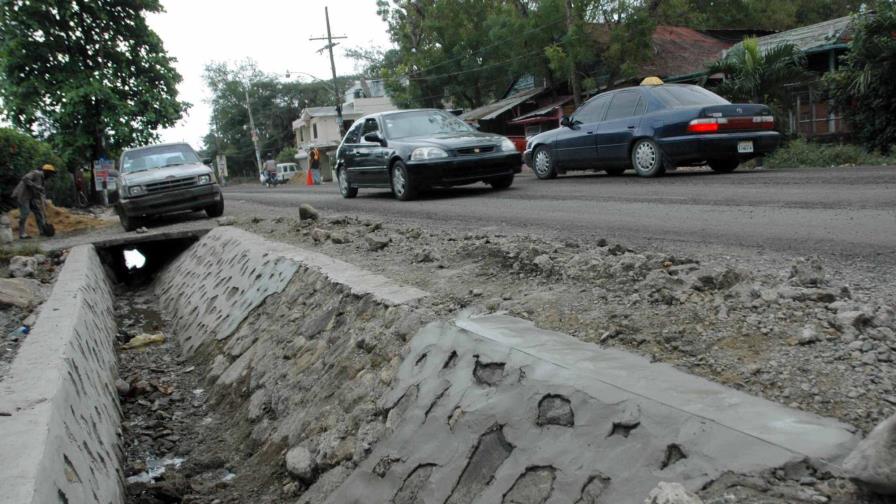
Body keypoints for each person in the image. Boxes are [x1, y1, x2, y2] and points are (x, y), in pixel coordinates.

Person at [12, 164, 56, 239]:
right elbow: (25, 178)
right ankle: (22, 234)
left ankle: (42, 231)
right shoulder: (36, 173)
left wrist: (42, 198)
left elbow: (40, 191)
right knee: (25, 213)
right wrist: (36, 186)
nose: (51, 176)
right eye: (51, 174)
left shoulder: (43, 179)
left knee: (39, 212)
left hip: (32, 197)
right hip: (23, 195)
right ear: (46, 172)